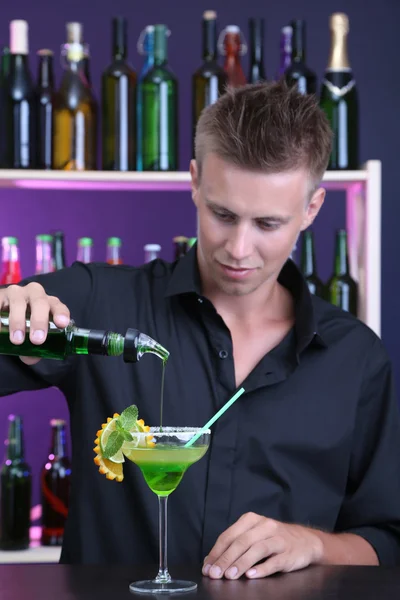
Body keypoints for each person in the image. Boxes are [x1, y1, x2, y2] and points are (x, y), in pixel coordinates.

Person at [1, 80, 400, 578]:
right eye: (222, 214)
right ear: (194, 181)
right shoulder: (96, 302)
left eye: (268, 224)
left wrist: (313, 545)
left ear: (312, 209)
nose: (238, 247)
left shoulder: (355, 358)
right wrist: (11, 314)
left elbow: (388, 542)